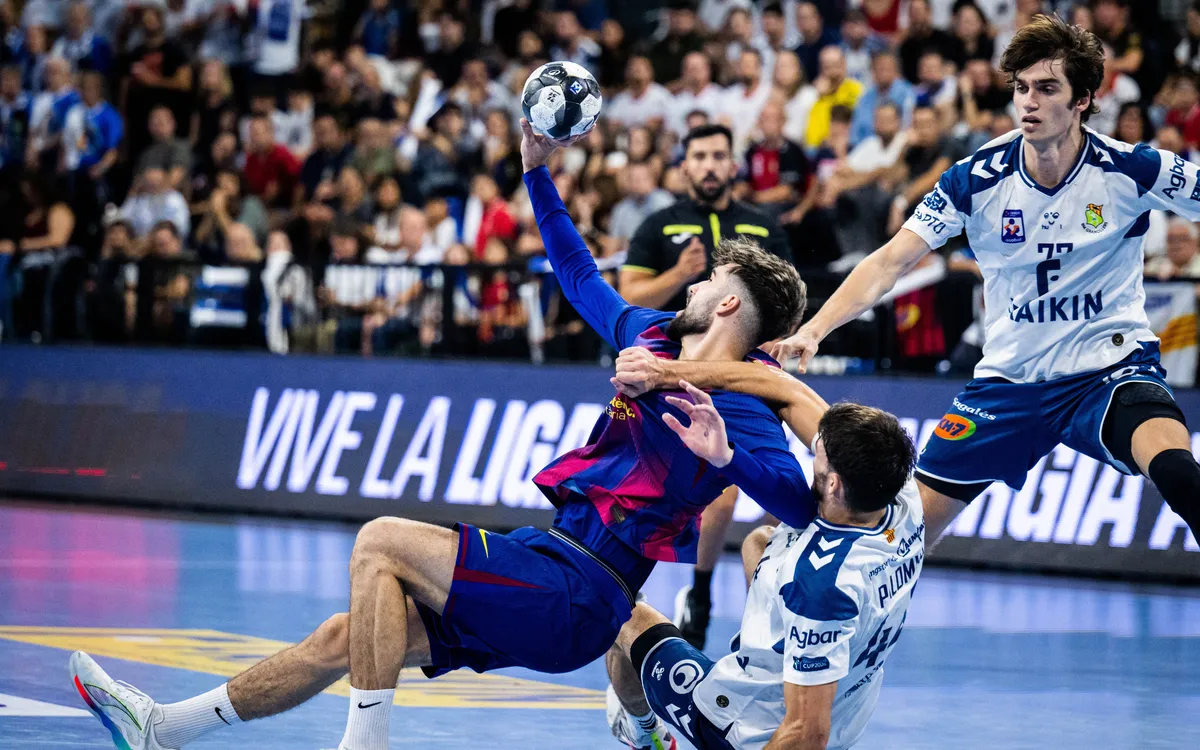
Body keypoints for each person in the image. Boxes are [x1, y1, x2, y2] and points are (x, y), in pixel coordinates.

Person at [68, 118, 812, 750]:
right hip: (549, 557)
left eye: (709, 283)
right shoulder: (649, 336)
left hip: (580, 592)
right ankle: (164, 728)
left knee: (380, 541)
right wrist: (536, 171)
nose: (693, 284)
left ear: (727, 309)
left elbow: (799, 502)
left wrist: (728, 457)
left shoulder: (744, 405)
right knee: (350, 634)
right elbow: (578, 274)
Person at [770, 15, 1200, 549]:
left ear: (1083, 99)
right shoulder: (975, 179)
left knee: (1180, 474)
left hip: (1107, 370)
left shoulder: (1131, 168)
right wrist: (816, 328)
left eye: (1047, 89)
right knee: (901, 540)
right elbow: (888, 263)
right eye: (1022, 88)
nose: (1029, 102)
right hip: (1009, 382)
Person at [605, 350, 921, 750]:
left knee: (617, 605)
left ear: (834, 484)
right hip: (847, 711)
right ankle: (762, 646)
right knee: (760, 541)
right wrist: (727, 456)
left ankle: (644, 732)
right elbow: (789, 392)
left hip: (745, 728)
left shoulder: (819, 587)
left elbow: (806, 734)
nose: (812, 453)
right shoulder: (903, 504)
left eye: (818, 456)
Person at [619, 123, 794, 650]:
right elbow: (630, 294)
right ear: (685, 166)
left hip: (745, 377)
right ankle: (692, 591)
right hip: (676, 373)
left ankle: (752, 603)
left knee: (776, 484)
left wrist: (781, 341)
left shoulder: (761, 225)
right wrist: (680, 274)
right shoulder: (659, 225)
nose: (710, 164)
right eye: (700, 156)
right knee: (712, 488)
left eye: (719, 154)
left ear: (733, 164)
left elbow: (781, 302)